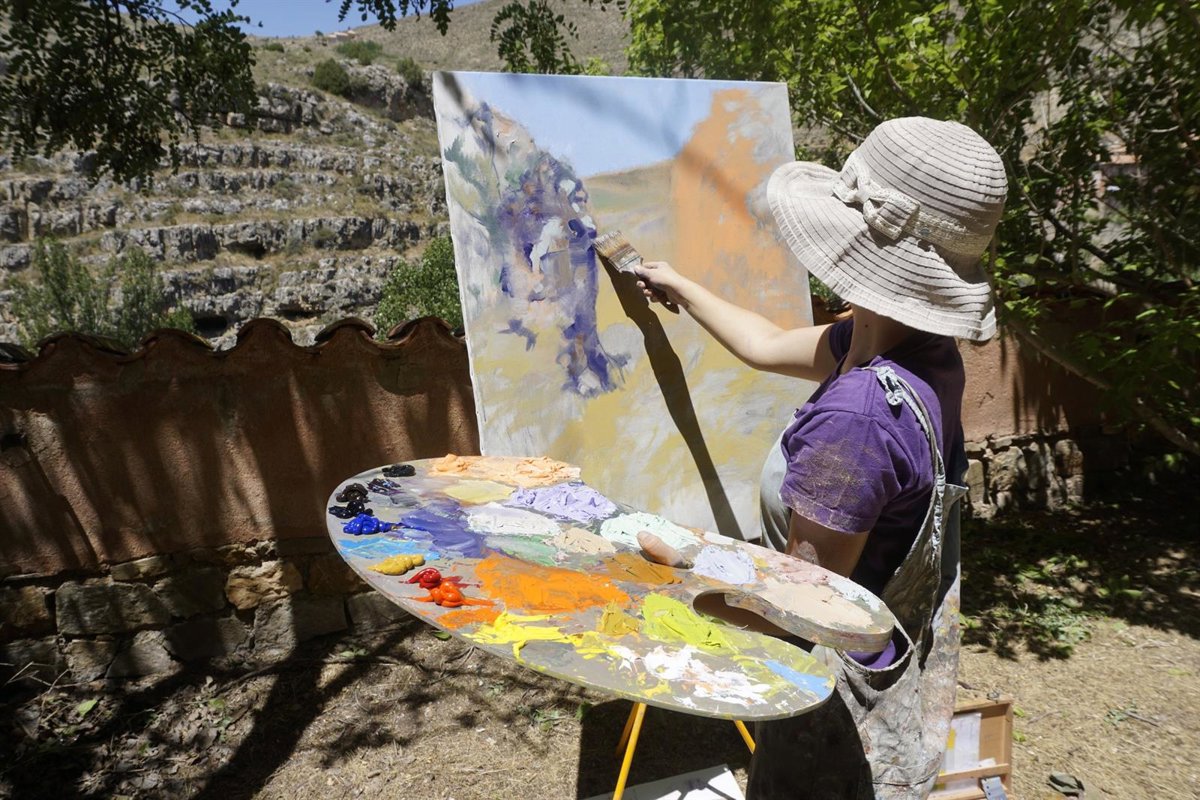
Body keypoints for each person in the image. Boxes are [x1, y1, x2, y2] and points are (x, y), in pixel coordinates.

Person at [633, 116, 1008, 799]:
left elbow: (799, 609)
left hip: (827, 709)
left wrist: (667, 586)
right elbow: (765, 341)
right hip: (881, 665)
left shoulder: (859, 418)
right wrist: (680, 287)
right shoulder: (911, 350)